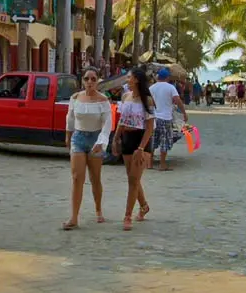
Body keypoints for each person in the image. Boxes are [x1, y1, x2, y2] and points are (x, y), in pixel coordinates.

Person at [63, 68, 112, 230]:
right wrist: (68, 136)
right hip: (78, 138)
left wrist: (102, 141)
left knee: (95, 177)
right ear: (82, 80)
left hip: (95, 139)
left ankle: (98, 209)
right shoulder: (75, 98)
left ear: (98, 80)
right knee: (77, 177)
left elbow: (107, 124)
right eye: (86, 79)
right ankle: (74, 217)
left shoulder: (103, 100)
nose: (90, 82)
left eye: (93, 79)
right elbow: (70, 118)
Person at [113, 68, 155, 229]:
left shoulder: (147, 101)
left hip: (141, 139)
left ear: (136, 79)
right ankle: (144, 205)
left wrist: (141, 147)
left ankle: (127, 216)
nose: (126, 80)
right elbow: (122, 121)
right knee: (132, 178)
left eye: (129, 77)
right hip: (127, 139)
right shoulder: (125, 97)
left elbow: (150, 128)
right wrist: (116, 139)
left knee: (133, 180)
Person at [149, 68, 189, 171]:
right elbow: (178, 100)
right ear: (167, 77)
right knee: (164, 140)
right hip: (166, 117)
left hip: (154, 117)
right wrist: (184, 113)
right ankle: (162, 165)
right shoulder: (170, 87)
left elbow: (150, 102)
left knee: (153, 140)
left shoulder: (152, 87)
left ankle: (150, 164)